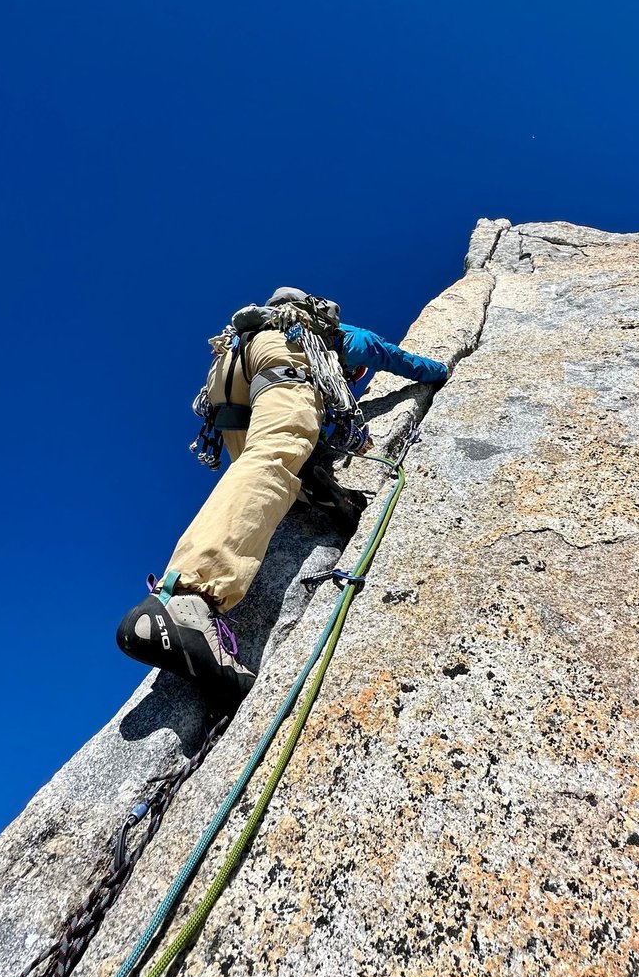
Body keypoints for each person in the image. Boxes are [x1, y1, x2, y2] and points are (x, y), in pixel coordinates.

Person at [116, 287, 447, 706]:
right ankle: (186, 602)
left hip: (225, 380)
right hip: (280, 362)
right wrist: (442, 371)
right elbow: (390, 354)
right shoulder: (332, 336)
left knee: (259, 467)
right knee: (278, 450)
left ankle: (310, 487)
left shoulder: (249, 331)